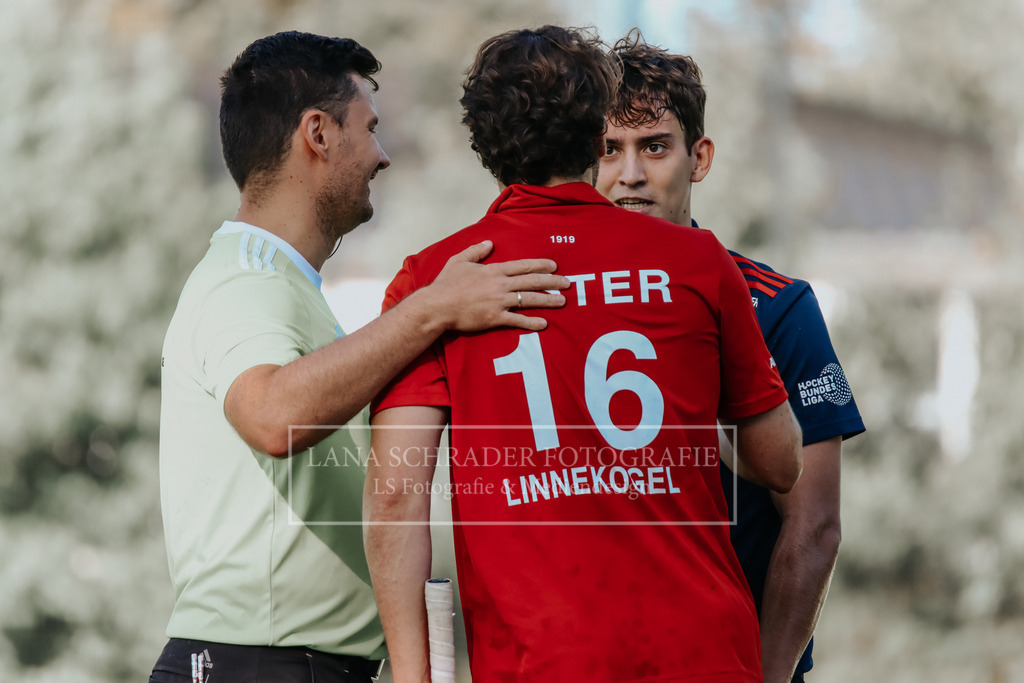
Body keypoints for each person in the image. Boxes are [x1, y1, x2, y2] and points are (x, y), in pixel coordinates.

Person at [364, 25, 803, 683]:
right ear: (597, 133)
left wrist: (412, 675)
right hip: (705, 654)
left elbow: (397, 493)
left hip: (540, 660)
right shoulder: (698, 261)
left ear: (481, 136)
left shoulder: (436, 279)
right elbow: (780, 460)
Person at [150, 31, 569, 683]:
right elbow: (270, 413)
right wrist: (431, 309)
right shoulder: (247, 278)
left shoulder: (282, 285)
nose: (382, 156)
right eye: (369, 128)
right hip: (258, 664)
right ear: (317, 133)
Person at [595, 34, 866, 683]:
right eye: (608, 149)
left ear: (700, 157)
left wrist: (765, 677)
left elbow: (815, 522)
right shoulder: (552, 306)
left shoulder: (776, 307)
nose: (629, 173)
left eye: (654, 146)